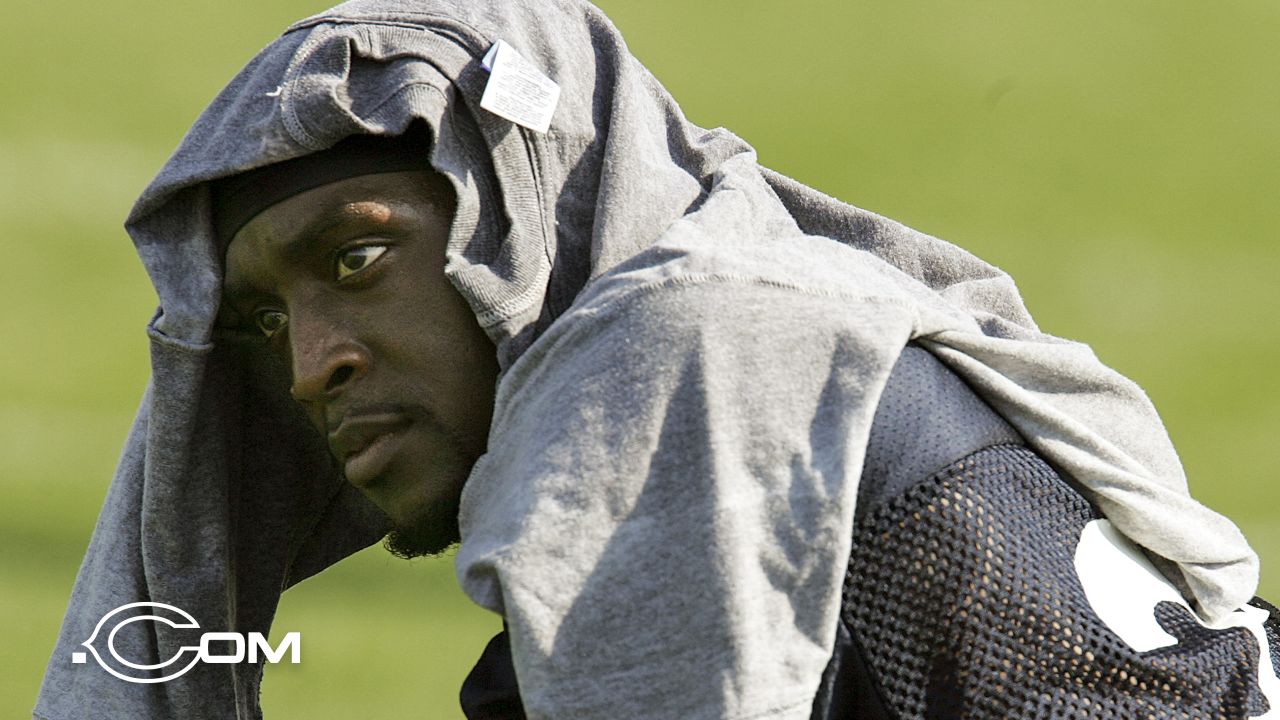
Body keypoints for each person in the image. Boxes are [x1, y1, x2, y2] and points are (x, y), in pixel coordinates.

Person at [34, 1, 1278, 718]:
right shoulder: (764, 346)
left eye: (357, 260)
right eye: (261, 321)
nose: (307, 367)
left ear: (521, 218)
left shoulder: (690, 376)